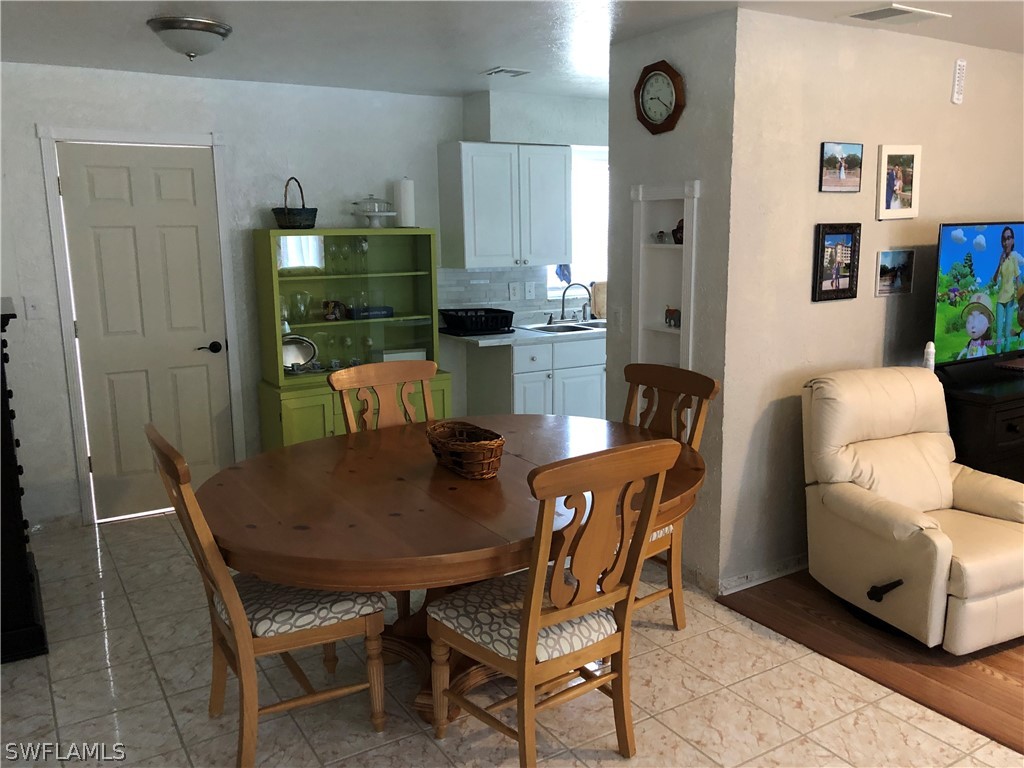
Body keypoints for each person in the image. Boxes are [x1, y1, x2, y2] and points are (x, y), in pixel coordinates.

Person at [990, 226, 1022, 353]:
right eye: (1004, 239)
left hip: (1010, 299)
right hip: (1000, 299)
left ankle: (1007, 355)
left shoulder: (1014, 258)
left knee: (1007, 331)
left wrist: (1020, 298)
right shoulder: (1002, 259)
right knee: (999, 331)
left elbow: (1018, 278)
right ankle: (998, 354)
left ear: (1012, 241)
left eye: (1008, 238)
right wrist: (999, 264)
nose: (1006, 242)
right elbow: (994, 280)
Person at [956, 293, 995, 360]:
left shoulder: (982, 343)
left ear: (989, 322)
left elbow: (984, 353)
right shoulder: (970, 342)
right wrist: (959, 356)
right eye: (971, 317)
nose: (974, 325)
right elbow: (965, 349)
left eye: (980, 320)